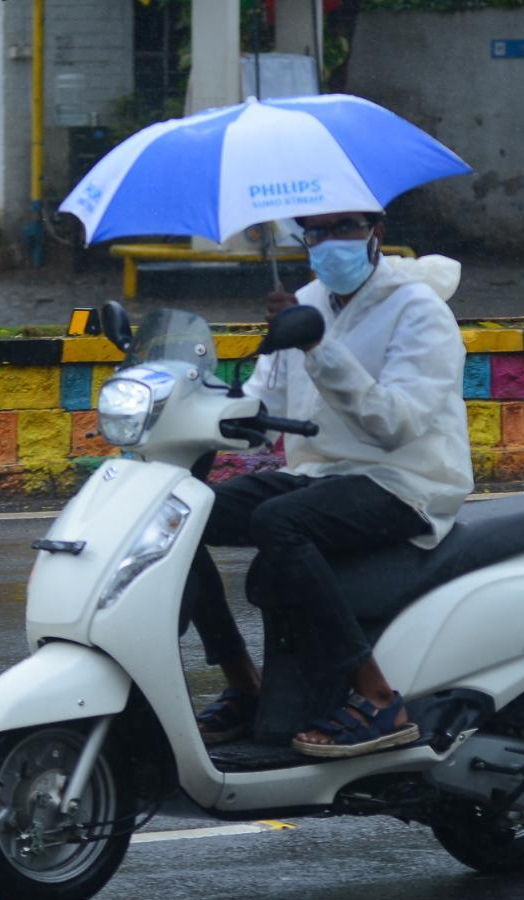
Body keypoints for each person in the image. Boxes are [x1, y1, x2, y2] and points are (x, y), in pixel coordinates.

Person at [189, 210, 473, 759]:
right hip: (316, 476)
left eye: (342, 228)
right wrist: (200, 410)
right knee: (181, 512)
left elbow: (396, 425)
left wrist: (318, 347)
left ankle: (378, 695)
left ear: (376, 233)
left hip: (405, 482)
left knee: (279, 521)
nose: (326, 243)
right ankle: (245, 683)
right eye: (314, 232)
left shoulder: (420, 312)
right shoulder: (306, 301)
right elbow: (262, 402)